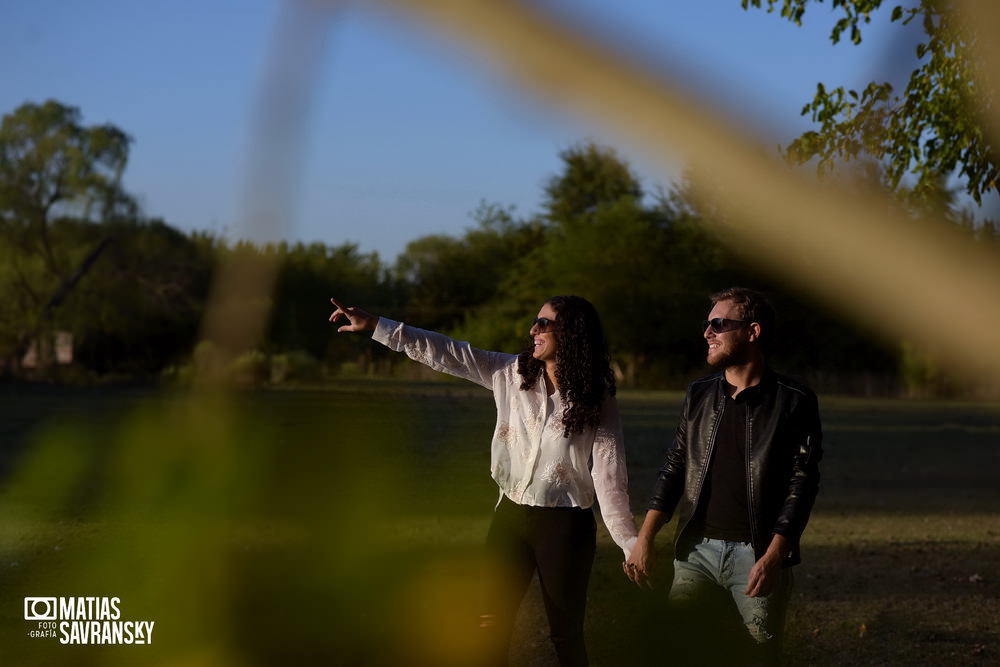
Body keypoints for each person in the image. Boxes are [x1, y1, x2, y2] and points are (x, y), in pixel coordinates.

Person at [329, 295, 637, 667]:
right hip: (509, 517)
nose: (532, 330)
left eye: (543, 323)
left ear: (571, 332)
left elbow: (609, 476)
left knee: (564, 634)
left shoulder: (596, 397)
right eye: (534, 322)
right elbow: (446, 351)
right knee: (488, 625)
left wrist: (628, 543)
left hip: (565, 525)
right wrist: (378, 325)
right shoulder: (509, 373)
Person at [624, 287, 822, 666]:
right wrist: (645, 538)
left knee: (758, 655)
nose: (707, 333)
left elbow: (803, 483)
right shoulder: (698, 394)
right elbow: (675, 466)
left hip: (757, 554)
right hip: (695, 552)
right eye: (707, 324)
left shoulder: (794, 399)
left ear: (753, 331)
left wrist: (776, 554)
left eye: (719, 324)